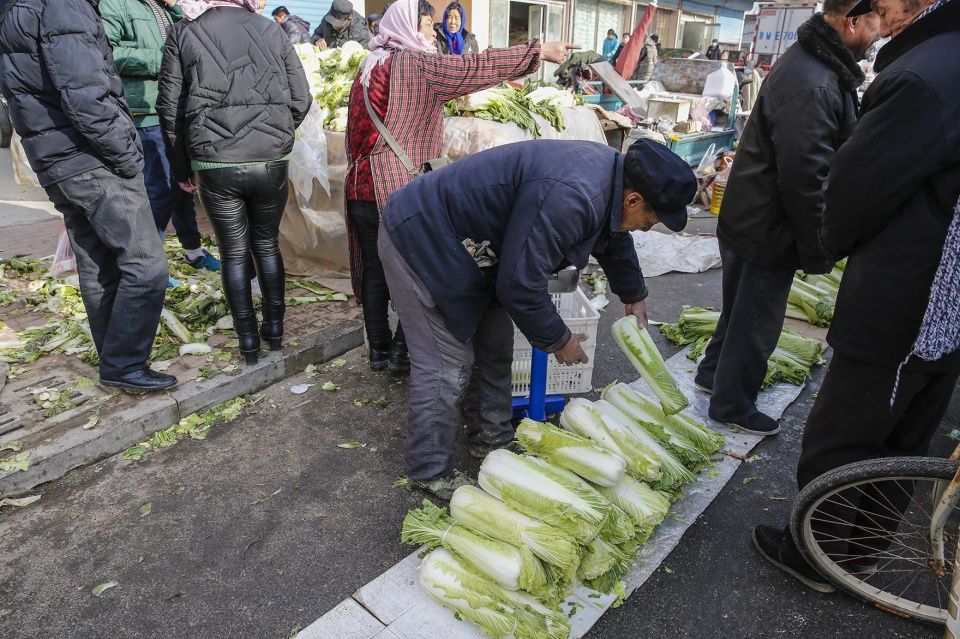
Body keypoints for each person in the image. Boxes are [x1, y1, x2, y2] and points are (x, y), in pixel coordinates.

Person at [753, 0, 960, 592]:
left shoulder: (926, 75)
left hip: (908, 295)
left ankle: (814, 556)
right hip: (949, 304)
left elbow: (854, 187)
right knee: (907, 434)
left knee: (846, 432)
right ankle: (861, 554)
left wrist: (828, 244)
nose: (878, 12)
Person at [379, 139, 696, 499]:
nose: (648, 227)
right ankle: (429, 470)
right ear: (634, 199)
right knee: (447, 366)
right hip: (422, 238)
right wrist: (559, 340)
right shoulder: (574, 195)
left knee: (495, 348)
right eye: (652, 219)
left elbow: (615, 236)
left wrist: (633, 293)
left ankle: (491, 438)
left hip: (477, 251)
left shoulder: (612, 184)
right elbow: (519, 284)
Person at [344, 0, 577, 373]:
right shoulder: (416, 64)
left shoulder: (369, 66)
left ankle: (379, 352)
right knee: (417, 271)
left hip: (359, 187)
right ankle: (403, 355)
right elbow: (475, 67)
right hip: (396, 188)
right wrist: (537, 52)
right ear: (408, 26)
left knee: (376, 273)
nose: (430, 34)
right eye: (425, 26)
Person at [694, 0, 881, 437]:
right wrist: (818, 246)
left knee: (739, 310)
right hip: (767, 225)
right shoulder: (815, 83)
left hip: (750, 214)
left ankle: (711, 375)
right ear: (852, 20)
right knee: (756, 321)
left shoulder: (812, 61)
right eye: (877, 21)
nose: (881, 32)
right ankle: (732, 404)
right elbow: (805, 177)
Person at [0, 0, 176, 392]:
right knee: (147, 264)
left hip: (58, 157)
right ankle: (126, 363)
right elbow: (85, 93)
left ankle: (115, 361)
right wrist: (126, 153)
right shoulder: (62, 6)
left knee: (99, 263)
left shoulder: (21, 8)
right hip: (88, 155)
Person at [157, 0, 312, 365]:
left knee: (234, 252)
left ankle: (247, 342)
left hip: (215, 164)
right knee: (266, 245)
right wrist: (276, 134)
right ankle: (274, 332)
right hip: (270, 160)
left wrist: (182, 168)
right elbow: (301, 98)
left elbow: (169, 108)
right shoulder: (271, 29)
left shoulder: (184, 31)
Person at [99, 0, 222, 291]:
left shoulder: (170, 9)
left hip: (178, 111)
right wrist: (164, 59)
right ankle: (148, 263)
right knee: (161, 188)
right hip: (146, 111)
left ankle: (193, 251)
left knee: (184, 186)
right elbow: (106, 53)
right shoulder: (118, 6)